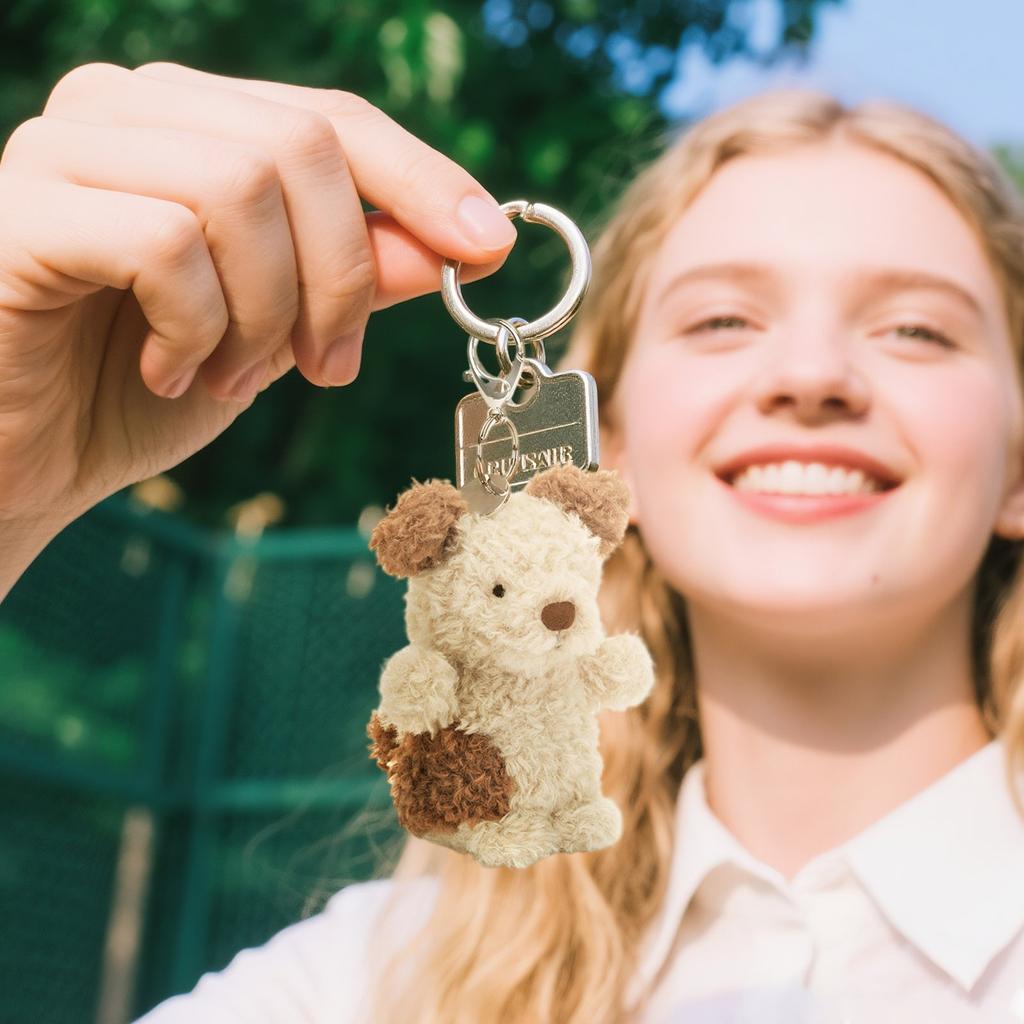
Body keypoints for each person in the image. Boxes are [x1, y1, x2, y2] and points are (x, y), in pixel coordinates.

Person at [4, 63, 1024, 1024]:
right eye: (721, 320)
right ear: (607, 447)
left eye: (916, 330)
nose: (810, 375)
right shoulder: (375, 981)